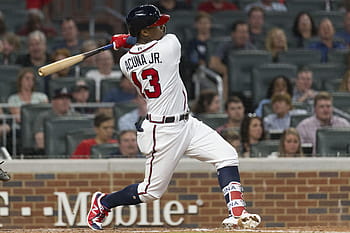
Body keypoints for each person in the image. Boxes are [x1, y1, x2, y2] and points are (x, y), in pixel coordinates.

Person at [87, 4, 261, 231]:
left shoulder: (124, 62)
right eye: (157, 25)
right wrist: (130, 40)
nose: (163, 27)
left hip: (187, 123)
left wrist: (130, 41)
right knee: (151, 192)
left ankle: (238, 212)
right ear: (146, 31)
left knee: (227, 154)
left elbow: (142, 49)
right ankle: (103, 202)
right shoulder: (171, 46)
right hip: (163, 131)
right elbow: (154, 46)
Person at [209, 20, 255, 100]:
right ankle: (224, 104)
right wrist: (229, 71)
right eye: (240, 32)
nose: (243, 35)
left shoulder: (251, 48)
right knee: (229, 76)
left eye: (246, 32)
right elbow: (213, 63)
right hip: (228, 77)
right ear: (233, 34)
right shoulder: (224, 46)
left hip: (248, 77)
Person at [33, 87, 79, 152]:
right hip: (49, 153)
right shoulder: (43, 117)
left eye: (67, 99)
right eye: (61, 99)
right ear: (53, 101)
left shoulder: (77, 117)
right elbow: (40, 140)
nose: (65, 102)